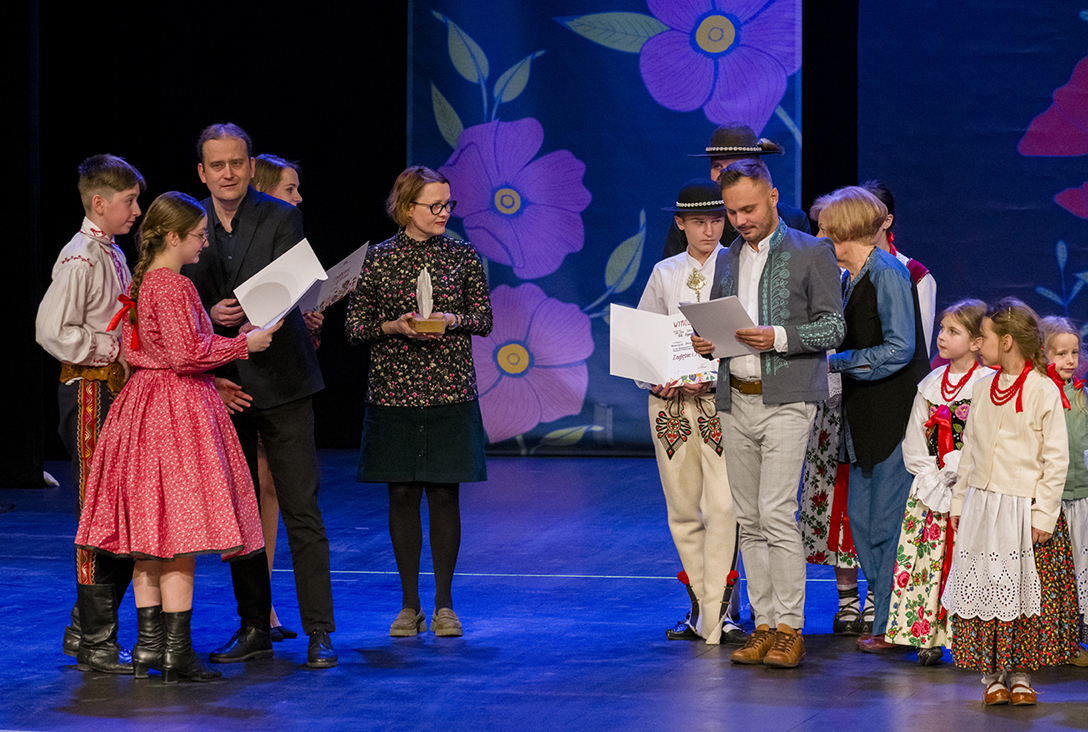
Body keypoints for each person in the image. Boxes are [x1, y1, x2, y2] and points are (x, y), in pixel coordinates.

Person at [74, 191, 276, 683]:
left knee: (149, 539)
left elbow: (159, 349)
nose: (204, 243)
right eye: (198, 235)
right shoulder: (174, 284)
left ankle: (151, 647)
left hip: (143, 404)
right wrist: (243, 344)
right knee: (178, 534)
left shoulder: (144, 280)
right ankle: (176, 653)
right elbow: (187, 356)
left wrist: (212, 368)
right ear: (172, 237)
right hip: (174, 409)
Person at [182, 122, 336, 668]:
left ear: (250, 167)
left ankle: (320, 630)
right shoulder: (190, 221)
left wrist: (244, 316)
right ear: (202, 172)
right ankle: (254, 626)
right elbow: (175, 292)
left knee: (300, 507)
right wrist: (210, 315)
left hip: (284, 381)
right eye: (216, 165)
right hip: (224, 386)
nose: (227, 173)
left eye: (236, 163)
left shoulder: (280, 215)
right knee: (243, 514)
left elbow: (289, 286)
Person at [691, 159, 845, 668]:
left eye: (749, 209)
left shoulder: (810, 250)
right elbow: (723, 325)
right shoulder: (729, 257)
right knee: (750, 518)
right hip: (736, 397)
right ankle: (763, 623)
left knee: (776, 512)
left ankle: (789, 627)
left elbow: (833, 328)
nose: (740, 221)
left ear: (774, 197)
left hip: (787, 399)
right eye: (732, 212)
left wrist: (777, 337)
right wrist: (707, 342)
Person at [346, 166, 492, 638]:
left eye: (448, 204)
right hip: (395, 392)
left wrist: (452, 319)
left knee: (445, 495)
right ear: (408, 207)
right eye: (435, 205)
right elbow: (355, 327)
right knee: (402, 495)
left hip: (449, 389)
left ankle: (445, 605)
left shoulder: (462, 255)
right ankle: (409, 605)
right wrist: (393, 326)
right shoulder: (378, 259)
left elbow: (484, 318)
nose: (444, 212)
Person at [36, 154, 144, 674]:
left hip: (112, 392)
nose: (137, 211)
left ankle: (85, 629)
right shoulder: (80, 257)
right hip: (88, 394)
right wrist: (111, 348)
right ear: (99, 203)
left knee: (119, 513)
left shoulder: (112, 252)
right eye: (129, 201)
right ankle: (97, 642)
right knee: (96, 514)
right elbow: (51, 330)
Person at [943, 298, 1079, 706]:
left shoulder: (1042, 389)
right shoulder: (983, 386)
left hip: (1023, 510)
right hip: (985, 508)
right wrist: (959, 502)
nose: (978, 343)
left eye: (983, 337)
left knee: (1022, 597)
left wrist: (1044, 514)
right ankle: (992, 675)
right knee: (989, 588)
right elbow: (971, 449)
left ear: (1006, 342)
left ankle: (1021, 674)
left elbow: (1056, 458)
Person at [818, 187, 930, 654]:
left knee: (885, 523)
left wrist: (836, 361)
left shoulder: (886, 273)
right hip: (862, 414)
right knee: (863, 525)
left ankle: (893, 625)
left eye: (825, 227)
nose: (820, 234)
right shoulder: (852, 276)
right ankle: (886, 619)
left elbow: (900, 348)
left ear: (844, 230)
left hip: (892, 412)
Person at [638, 180, 743, 645]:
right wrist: (654, 377)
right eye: (699, 221)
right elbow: (645, 338)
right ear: (680, 223)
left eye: (717, 220)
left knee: (723, 506)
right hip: (672, 404)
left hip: (721, 400)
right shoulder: (665, 272)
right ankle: (701, 609)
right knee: (683, 507)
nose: (709, 230)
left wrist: (716, 374)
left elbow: (744, 335)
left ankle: (720, 613)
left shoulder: (737, 266)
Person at [885, 299, 993, 665]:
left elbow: (985, 438)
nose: (942, 337)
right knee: (927, 561)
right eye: (942, 329)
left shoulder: (985, 384)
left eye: (953, 331)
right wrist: (930, 474)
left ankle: (969, 637)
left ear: (977, 342)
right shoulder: (930, 384)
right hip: (932, 488)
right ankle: (927, 635)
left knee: (969, 560)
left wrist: (958, 469)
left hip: (969, 487)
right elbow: (915, 436)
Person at [250, 152, 321, 642]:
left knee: (274, 489)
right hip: (243, 379)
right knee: (256, 489)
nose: (298, 198)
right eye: (289, 189)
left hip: (283, 379)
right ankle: (259, 604)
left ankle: (270, 601)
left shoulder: (286, 240)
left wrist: (308, 317)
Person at [661, 123, 810, 260]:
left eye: (734, 167)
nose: (723, 175)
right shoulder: (691, 219)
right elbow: (675, 271)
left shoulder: (794, 220)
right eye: (717, 166)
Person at [1039, 315, 1088, 666]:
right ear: (1044, 354)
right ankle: (1050, 640)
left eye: (1074, 352)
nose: (1069, 361)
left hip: (1081, 495)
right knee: (1053, 575)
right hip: (1050, 501)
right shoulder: (1041, 393)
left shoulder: (1082, 397)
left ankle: (1075, 640)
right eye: (1061, 354)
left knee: (1080, 567)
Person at [863, 180, 937, 358]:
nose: (859, 223)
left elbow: (921, 348)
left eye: (866, 215)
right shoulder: (842, 272)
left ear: (887, 221)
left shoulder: (916, 275)